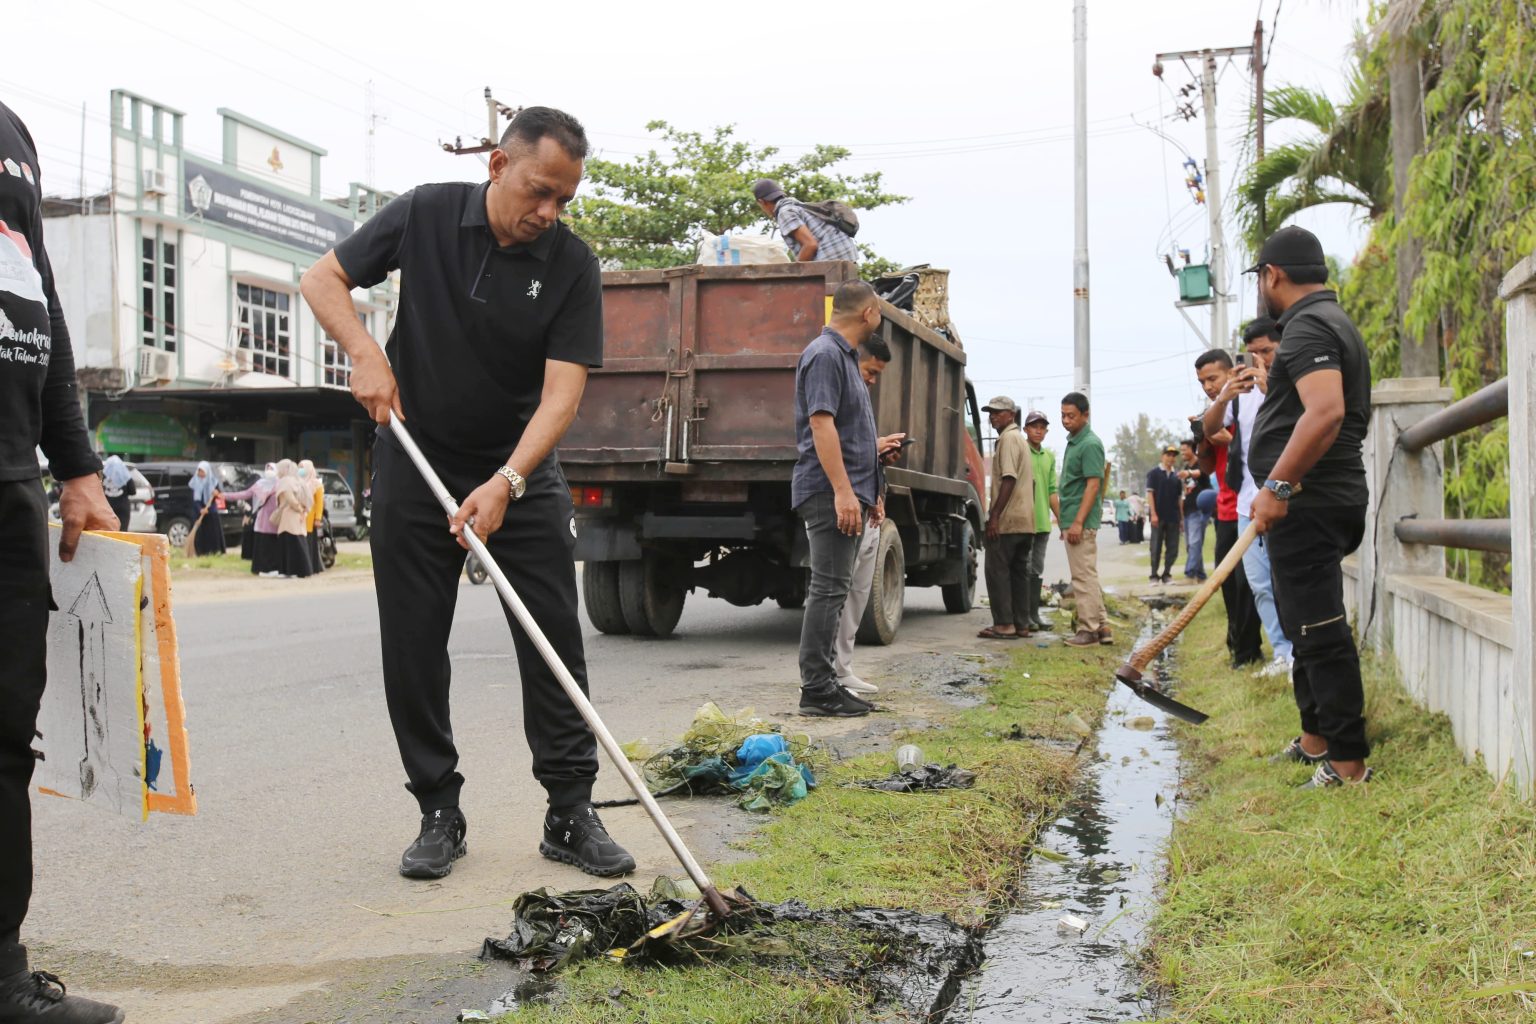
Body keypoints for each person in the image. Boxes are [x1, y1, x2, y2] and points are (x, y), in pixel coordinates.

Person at [301, 106, 636, 879]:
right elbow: (324, 279)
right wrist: (363, 353)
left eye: (564, 201)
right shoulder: (424, 214)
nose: (548, 213)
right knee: (413, 645)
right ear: (497, 164)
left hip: (518, 469)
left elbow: (562, 397)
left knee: (552, 640)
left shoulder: (572, 266)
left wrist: (508, 483)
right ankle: (437, 810)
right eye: (539, 191)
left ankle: (570, 812)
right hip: (418, 463)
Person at [0, 98, 127, 1024]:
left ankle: (1, 979)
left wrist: (76, 465)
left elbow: (36, 296)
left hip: (10, 480)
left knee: (5, 741)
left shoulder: (12, 136)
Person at [1246, 225, 1374, 788]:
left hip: (1311, 501)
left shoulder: (1309, 327)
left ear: (1272, 275)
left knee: (1320, 631)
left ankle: (1347, 765)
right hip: (1312, 500)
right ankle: (1316, 739)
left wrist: (1277, 488)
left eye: (1260, 279)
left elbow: (1324, 414)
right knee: (1304, 627)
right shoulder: (1322, 321)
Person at [788, 281, 899, 717]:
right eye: (880, 312)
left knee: (834, 589)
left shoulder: (847, 359)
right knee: (828, 588)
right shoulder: (825, 354)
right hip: (827, 491)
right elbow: (820, 426)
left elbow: (845, 434)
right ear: (869, 312)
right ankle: (816, 690)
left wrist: (873, 452)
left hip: (844, 489)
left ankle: (828, 682)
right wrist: (843, 493)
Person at [1203, 317, 1295, 679]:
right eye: (1253, 353)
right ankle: (1282, 653)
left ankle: (1301, 652)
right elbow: (1210, 430)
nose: (1260, 360)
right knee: (1258, 584)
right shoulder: (1238, 396)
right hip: (1247, 503)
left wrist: (1272, 387)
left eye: (1267, 352)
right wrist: (1224, 395)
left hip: (1287, 497)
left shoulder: (1291, 383)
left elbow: (1301, 423)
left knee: (1287, 579)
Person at [833, 337, 903, 694]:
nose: (873, 380)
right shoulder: (838, 396)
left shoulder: (863, 401)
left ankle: (842, 669)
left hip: (867, 506)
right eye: (870, 371)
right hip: (841, 505)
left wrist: (877, 491)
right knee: (834, 592)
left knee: (859, 591)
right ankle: (825, 677)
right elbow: (832, 450)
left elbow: (862, 456)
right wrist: (872, 448)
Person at [1193, 349, 1264, 668]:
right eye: (1202, 382)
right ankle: (1236, 643)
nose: (1208, 387)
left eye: (1213, 379)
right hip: (1225, 507)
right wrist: (1205, 439)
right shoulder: (1217, 411)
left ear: (1230, 373)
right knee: (1228, 580)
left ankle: (1249, 649)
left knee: (1250, 581)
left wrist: (1228, 439)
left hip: (1251, 504)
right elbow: (1206, 467)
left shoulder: (1251, 403)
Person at [978, 396, 1035, 640]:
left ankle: (1004, 624)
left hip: (1009, 521)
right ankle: (1021, 624)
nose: (993, 416)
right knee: (1018, 573)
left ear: (1011, 415)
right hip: (1025, 521)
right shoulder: (1020, 439)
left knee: (997, 570)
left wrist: (994, 517)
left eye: (999, 412)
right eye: (991, 412)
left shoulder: (1009, 439)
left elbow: (1008, 479)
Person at [1058, 393, 1107, 647]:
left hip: (1081, 520)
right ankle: (1102, 626)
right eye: (1063, 415)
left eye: (1071, 416)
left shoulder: (1089, 444)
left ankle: (1089, 630)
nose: (1066, 420)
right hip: (1072, 519)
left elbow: (1092, 486)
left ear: (1085, 415)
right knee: (1087, 573)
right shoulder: (1076, 441)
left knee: (1082, 577)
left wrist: (1077, 522)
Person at [752, 179, 860, 264]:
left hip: (832, 260)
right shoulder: (796, 205)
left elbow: (810, 245)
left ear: (762, 202)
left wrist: (795, 274)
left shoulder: (785, 213)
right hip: (847, 256)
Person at [1022, 410, 1058, 631]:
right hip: (1023, 522)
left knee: (1035, 569)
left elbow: (1052, 491)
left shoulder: (1049, 457)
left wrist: (1062, 520)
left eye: (1042, 427)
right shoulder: (1021, 451)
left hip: (1043, 523)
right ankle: (1023, 615)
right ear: (1025, 429)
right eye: (1034, 426)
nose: (1038, 430)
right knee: (1023, 569)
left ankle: (1034, 614)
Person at [1145, 447, 1183, 584]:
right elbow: (1150, 494)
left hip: (1173, 516)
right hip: (1158, 517)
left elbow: (1179, 498)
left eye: (1173, 456)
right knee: (1156, 546)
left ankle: (1167, 574)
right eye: (1168, 455)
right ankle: (1154, 575)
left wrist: (1181, 518)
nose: (1171, 458)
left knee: (1173, 547)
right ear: (1162, 456)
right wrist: (1153, 514)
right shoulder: (1154, 474)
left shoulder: (1176, 477)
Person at [271, 459, 313, 578]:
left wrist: (298, 508)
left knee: (290, 543)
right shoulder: (298, 481)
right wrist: (302, 511)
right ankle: (303, 570)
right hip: (299, 516)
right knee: (299, 543)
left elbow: (289, 498)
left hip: (289, 516)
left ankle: (289, 570)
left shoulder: (286, 481)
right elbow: (307, 499)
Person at [1179, 439, 1211, 581]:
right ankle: (1201, 575)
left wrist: (1189, 473)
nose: (1182, 453)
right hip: (1187, 510)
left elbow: (1202, 473)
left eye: (1184, 449)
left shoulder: (1201, 464)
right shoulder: (1186, 466)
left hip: (1198, 510)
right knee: (1191, 545)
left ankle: (1190, 574)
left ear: (1192, 449)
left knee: (1194, 543)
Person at [189, 460, 226, 556]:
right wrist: (200, 509)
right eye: (199, 471)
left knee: (213, 532)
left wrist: (216, 494)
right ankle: (201, 552)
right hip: (199, 512)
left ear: (207, 471)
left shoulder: (213, 482)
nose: (200, 473)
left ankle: (215, 551)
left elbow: (220, 495)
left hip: (211, 510)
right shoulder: (194, 482)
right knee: (201, 533)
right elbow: (193, 499)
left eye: (202, 471)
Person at [300, 459, 325, 573]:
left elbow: (319, 503)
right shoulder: (299, 482)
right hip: (299, 518)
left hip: (310, 519)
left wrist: (318, 518)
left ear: (309, 468)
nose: (300, 470)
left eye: (302, 467)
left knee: (310, 543)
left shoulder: (317, 484)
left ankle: (312, 567)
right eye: (299, 467)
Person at [101, 456, 135, 531]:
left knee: (108, 532)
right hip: (123, 508)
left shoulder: (103, 477)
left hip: (107, 507)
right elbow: (133, 491)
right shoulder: (125, 476)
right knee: (122, 533)